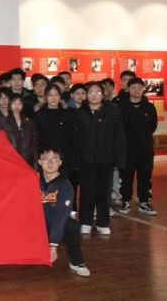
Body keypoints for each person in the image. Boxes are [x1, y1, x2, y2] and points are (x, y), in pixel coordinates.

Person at [74, 81, 126, 236]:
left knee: (103, 192)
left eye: (97, 92)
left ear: (103, 95)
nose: (94, 95)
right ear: (86, 95)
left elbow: (119, 136)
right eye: (91, 92)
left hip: (106, 159)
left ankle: (103, 222)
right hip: (86, 159)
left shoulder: (113, 111)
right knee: (87, 191)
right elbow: (75, 139)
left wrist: (119, 159)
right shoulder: (80, 113)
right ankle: (86, 221)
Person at [38, 147, 90, 277]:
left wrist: (53, 245)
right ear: (39, 162)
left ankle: (76, 261)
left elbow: (60, 216)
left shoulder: (65, 185)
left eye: (54, 159)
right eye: (46, 159)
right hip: (35, 222)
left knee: (72, 226)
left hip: (54, 223)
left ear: (60, 162)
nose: (50, 163)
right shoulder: (33, 180)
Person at [33, 85, 78, 211]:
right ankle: (46, 212)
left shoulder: (68, 114)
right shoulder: (39, 115)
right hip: (45, 158)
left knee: (64, 186)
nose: (53, 98)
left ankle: (69, 212)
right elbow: (36, 138)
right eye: (50, 95)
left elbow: (72, 138)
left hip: (64, 158)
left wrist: (71, 157)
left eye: (56, 95)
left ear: (60, 97)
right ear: (45, 97)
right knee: (47, 187)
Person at [119, 77, 158, 215]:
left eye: (139, 88)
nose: (136, 90)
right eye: (133, 88)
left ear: (143, 89)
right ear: (128, 89)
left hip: (145, 149)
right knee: (126, 177)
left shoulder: (149, 107)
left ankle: (144, 202)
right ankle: (125, 201)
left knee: (145, 177)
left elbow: (153, 126)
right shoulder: (121, 107)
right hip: (127, 150)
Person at [3, 94, 38, 167]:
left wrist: (35, 163)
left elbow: (34, 144)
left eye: (20, 103)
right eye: (14, 103)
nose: (17, 106)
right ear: (9, 104)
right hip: (11, 160)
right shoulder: (4, 123)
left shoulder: (29, 123)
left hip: (28, 160)